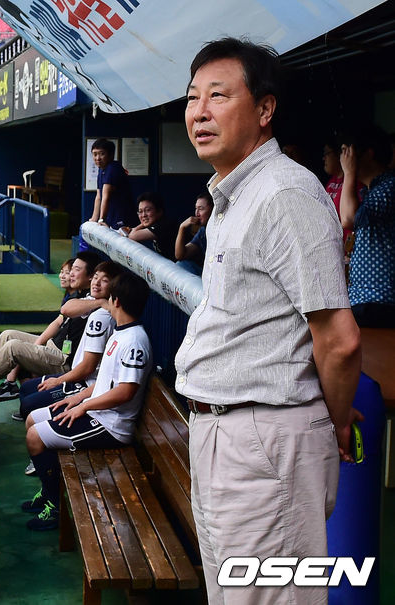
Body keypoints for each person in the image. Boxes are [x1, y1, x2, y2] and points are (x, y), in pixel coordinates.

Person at [175, 37, 361, 604]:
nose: (199, 112)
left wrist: (332, 424)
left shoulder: (284, 193)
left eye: (218, 96)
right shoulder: (234, 196)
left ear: (264, 109)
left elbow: (339, 341)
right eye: (192, 98)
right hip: (221, 431)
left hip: (264, 440)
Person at [21, 272, 152, 530]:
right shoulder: (121, 333)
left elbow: (124, 392)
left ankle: (55, 507)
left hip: (111, 426)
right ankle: (49, 492)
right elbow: (105, 382)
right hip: (97, 412)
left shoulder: (135, 341)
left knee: (35, 437)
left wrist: (84, 407)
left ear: (116, 301)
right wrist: (78, 398)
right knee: (32, 419)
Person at [17, 261, 124, 421]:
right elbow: (66, 309)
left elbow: (88, 368)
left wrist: (58, 381)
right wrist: (100, 302)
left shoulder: (102, 317)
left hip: (85, 383)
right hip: (77, 374)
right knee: (26, 389)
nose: (96, 283)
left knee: (27, 405)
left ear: (114, 287)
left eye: (105, 280)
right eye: (96, 277)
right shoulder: (93, 301)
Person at [0, 251, 99, 397]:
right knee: (8, 335)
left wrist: (101, 302)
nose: (71, 274)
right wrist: (38, 343)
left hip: (62, 360)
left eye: (76, 270)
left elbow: (66, 309)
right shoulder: (79, 294)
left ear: (90, 276)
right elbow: (59, 320)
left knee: (13, 347)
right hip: (52, 347)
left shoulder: (95, 300)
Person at [340, 125, 395, 328]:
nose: (343, 158)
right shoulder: (371, 191)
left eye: (348, 152)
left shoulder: (390, 186)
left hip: (379, 300)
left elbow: (349, 218)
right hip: (367, 300)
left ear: (368, 154)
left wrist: (348, 173)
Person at [89, 138, 134, 230]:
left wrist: (101, 219)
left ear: (111, 155)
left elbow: (106, 196)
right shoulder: (101, 169)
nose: (98, 158)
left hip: (122, 217)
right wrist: (94, 219)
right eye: (95, 154)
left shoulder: (113, 168)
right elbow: (99, 196)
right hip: (112, 217)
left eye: (102, 154)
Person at [128, 192, 177, 260]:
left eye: (147, 210)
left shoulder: (165, 225)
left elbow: (132, 236)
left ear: (159, 211)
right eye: (140, 211)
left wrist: (143, 223)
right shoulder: (156, 223)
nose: (143, 215)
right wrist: (144, 222)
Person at [174, 191, 213, 274]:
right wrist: (182, 228)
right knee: (181, 265)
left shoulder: (222, 230)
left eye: (201, 209)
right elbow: (180, 255)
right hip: (207, 275)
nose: (197, 213)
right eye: (196, 208)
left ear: (213, 210)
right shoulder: (203, 231)